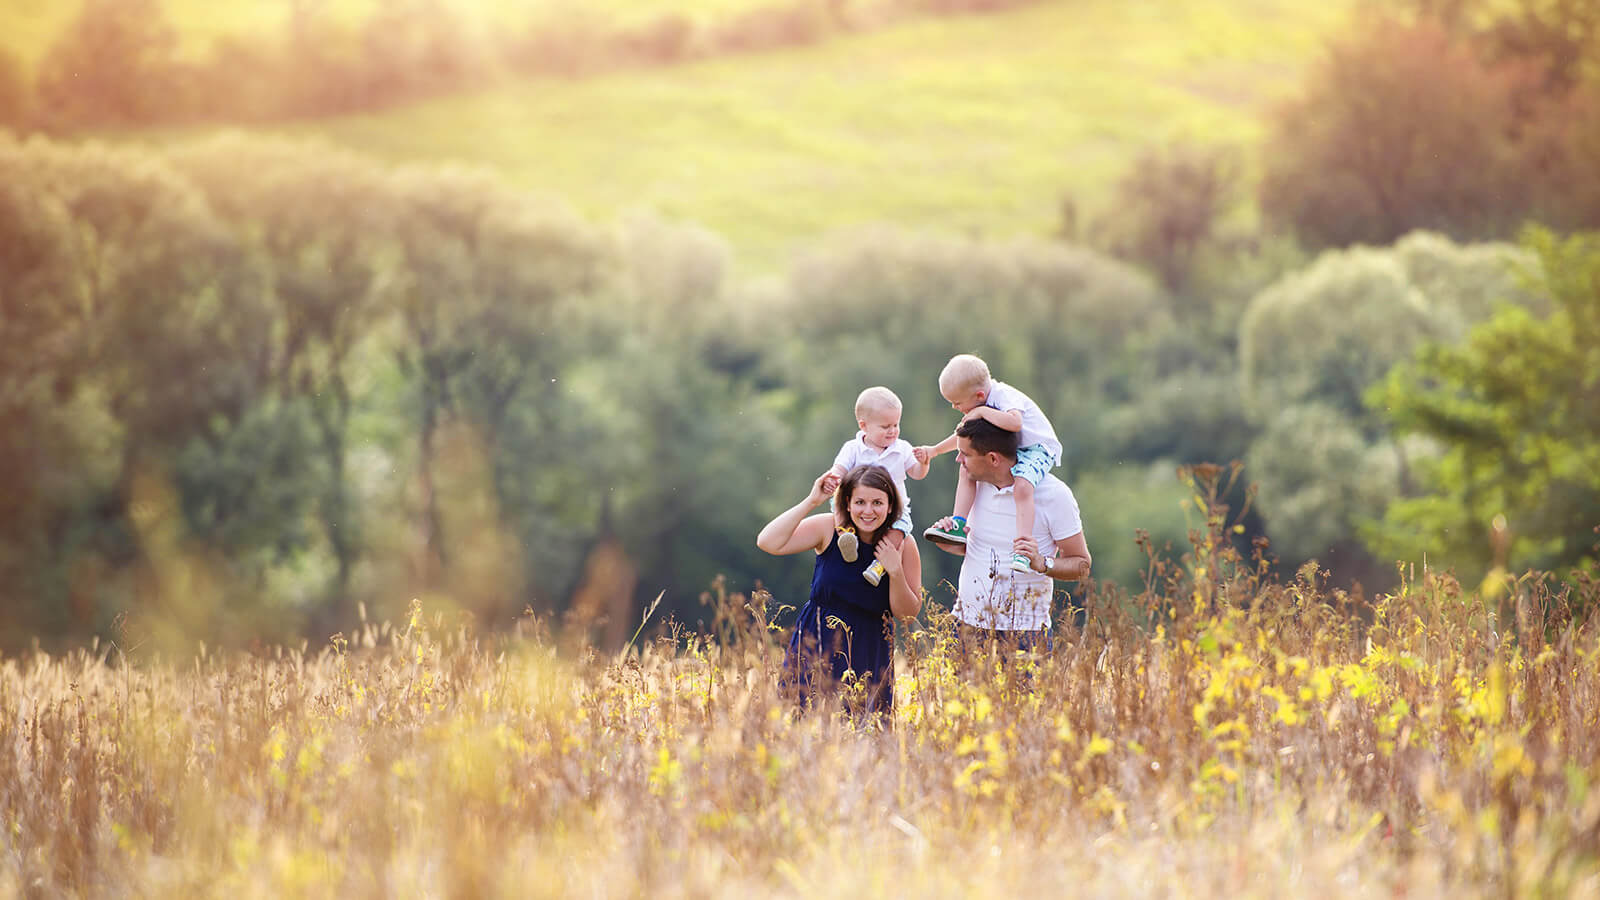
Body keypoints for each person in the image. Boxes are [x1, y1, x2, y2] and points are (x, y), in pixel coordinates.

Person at [757, 464, 924, 714]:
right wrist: (812, 501)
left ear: (890, 506)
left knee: (862, 737)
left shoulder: (903, 544)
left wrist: (895, 571)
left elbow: (908, 615)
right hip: (815, 644)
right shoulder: (829, 529)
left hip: (869, 651)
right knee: (800, 727)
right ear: (847, 503)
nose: (868, 511)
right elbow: (768, 542)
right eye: (860, 502)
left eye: (877, 503)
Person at [924, 417, 1089, 666]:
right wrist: (950, 541)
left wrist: (1042, 563)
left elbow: (1082, 565)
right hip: (965, 627)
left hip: (1026, 634)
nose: (959, 460)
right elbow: (979, 550)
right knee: (955, 706)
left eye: (965, 454)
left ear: (993, 458)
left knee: (1025, 706)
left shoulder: (1054, 495)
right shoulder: (973, 487)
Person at [916, 353, 1063, 574]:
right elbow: (963, 435)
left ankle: (1022, 548)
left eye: (957, 403)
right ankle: (958, 524)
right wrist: (934, 450)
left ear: (979, 395)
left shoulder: (1003, 397)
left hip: (1037, 449)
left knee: (1023, 486)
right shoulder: (981, 403)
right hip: (1012, 448)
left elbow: (1015, 423)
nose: (955, 407)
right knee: (966, 469)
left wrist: (982, 412)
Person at [821, 386, 930, 587]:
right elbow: (839, 468)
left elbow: (916, 474)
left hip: (894, 508)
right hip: (857, 505)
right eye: (885, 426)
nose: (892, 431)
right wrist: (833, 479)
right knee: (837, 505)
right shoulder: (853, 448)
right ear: (864, 426)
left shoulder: (902, 448)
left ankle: (878, 566)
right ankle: (846, 536)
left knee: (899, 531)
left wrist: (924, 463)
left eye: (896, 424)